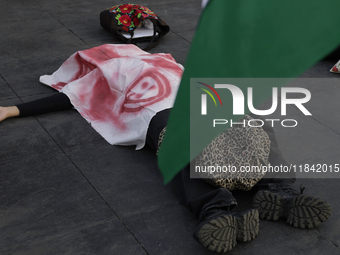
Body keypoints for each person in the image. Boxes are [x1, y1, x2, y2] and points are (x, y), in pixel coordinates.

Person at [0, 44, 332, 253]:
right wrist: (13, 110)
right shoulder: (108, 72)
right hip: (159, 113)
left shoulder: (164, 60)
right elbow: (70, 96)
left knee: (252, 122)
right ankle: (216, 209)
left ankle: (277, 191)